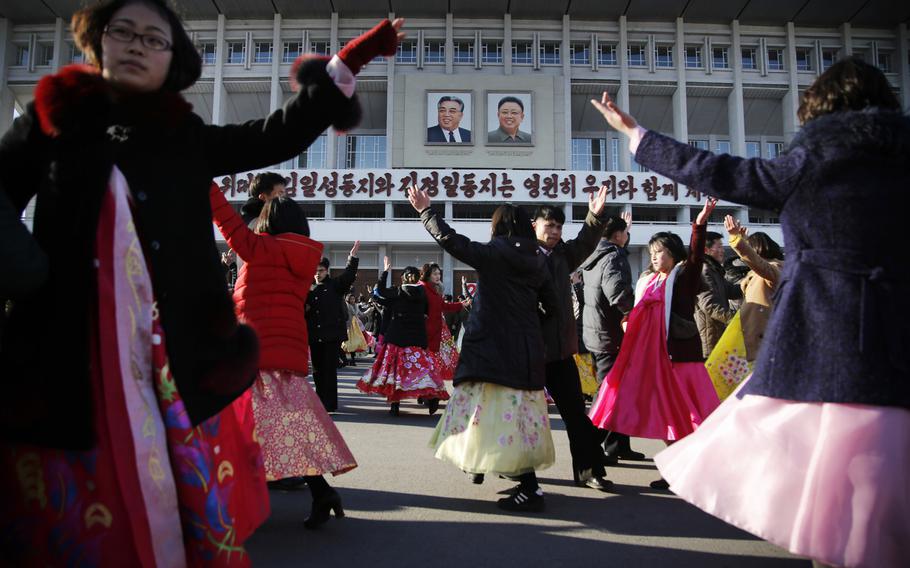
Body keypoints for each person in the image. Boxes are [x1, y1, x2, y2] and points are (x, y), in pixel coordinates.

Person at [0, 0, 403, 562]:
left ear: (174, 59)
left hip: (166, 360)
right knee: (68, 510)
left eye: (155, 38)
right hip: (65, 350)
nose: (138, 44)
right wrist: (25, 268)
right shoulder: (53, 120)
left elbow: (275, 135)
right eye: (125, 32)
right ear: (97, 41)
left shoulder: (182, 136)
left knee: (167, 502)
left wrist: (347, 63)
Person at [592, 57, 909, 568]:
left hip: (828, 355)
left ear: (818, 108)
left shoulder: (811, 162)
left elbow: (717, 169)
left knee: (839, 522)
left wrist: (638, 136)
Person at [210, 184, 357, 529]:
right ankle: (321, 492)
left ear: (269, 222)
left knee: (237, 429)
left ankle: (229, 505)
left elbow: (228, 223)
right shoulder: (304, 258)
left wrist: (207, 184)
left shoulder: (260, 249)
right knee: (288, 429)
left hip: (255, 352)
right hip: (285, 353)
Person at [413, 188, 558, 513]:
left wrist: (426, 212)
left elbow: (452, 241)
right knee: (515, 418)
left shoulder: (494, 253)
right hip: (525, 351)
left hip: (490, 349)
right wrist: (530, 328)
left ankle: (528, 488)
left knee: (486, 413)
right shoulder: (539, 259)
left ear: (498, 227)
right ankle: (503, 475)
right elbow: (552, 306)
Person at [587, 199, 723, 489]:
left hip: (680, 357)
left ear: (673, 254)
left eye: (659, 251)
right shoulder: (648, 280)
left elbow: (696, 256)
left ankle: (692, 468)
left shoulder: (683, 277)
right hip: (654, 359)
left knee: (689, 416)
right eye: (651, 252)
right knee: (669, 416)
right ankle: (679, 470)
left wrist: (699, 224)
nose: (655, 256)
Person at [531, 196, 616, 492]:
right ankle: (518, 473)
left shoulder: (563, 255)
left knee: (577, 417)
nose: (554, 231)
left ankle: (589, 471)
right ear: (535, 226)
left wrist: (594, 215)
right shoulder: (521, 255)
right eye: (549, 225)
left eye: (558, 227)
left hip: (561, 352)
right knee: (521, 417)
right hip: (528, 353)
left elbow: (584, 243)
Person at [579, 212, 645, 462]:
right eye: (625, 234)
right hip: (611, 334)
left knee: (618, 392)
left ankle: (617, 445)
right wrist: (637, 314)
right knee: (610, 393)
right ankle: (590, 447)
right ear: (617, 236)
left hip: (596, 333)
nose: (627, 238)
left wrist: (623, 230)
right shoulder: (613, 257)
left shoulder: (595, 255)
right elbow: (617, 292)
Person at [705, 216, 785, 400]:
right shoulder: (759, 272)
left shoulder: (774, 269)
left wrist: (738, 241)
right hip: (750, 340)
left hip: (765, 342)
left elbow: (758, 264)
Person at [357, 260, 449, 415]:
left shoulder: (398, 292)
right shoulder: (423, 294)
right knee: (423, 368)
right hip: (417, 338)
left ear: (404, 278)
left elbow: (380, 291)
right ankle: (432, 395)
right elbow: (428, 312)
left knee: (396, 373)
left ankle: (395, 405)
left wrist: (385, 272)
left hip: (397, 338)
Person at [306, 244, 360, 412]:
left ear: (327, 271)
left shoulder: (335, 285)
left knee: (329, 371)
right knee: (317, 372)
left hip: (331, 336)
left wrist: (352, 258)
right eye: (315, 271)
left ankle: (330, 404)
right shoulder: (309, 289)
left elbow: (349, 276)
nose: (317, 274)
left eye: (321, 270)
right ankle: (320, 402)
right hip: (314, 336)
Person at [695, 230, 742, 357]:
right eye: (719, 246)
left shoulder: (714, 270)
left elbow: (731, 290)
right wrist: (736, 319)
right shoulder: (704, 271)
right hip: (710, 339)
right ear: (706, 250)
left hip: (717, 335)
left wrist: (750, 283)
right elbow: (710, 305)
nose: (723, 250)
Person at [418, 263, 464, 385]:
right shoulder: (421, 288)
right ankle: (424, 389)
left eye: (439, 273)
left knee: (436, 361)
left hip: (437, 330)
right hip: (423, 331)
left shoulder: (437, 290)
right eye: (435, 273)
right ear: (428, 274)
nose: (438, 276)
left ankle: (429, 390)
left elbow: (443, 306)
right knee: (424, 361)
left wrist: (461, 304)